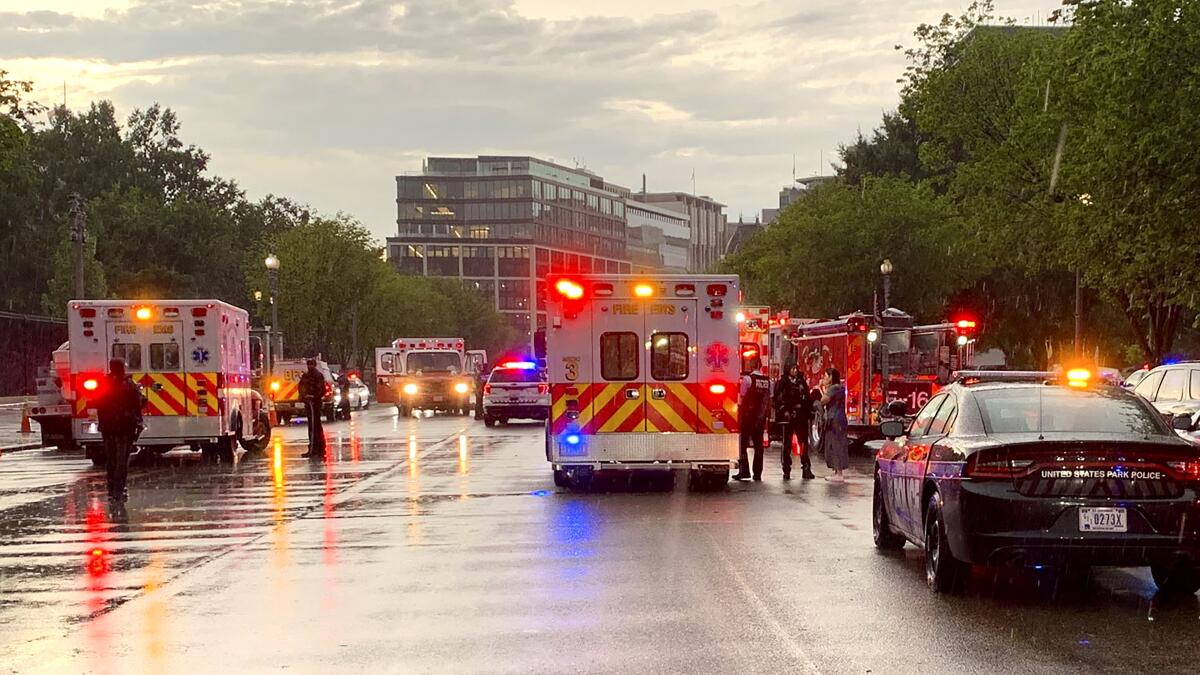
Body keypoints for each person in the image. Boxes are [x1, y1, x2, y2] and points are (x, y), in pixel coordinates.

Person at [96, 358, 144, 503]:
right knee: (121, 461)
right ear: (122, 368)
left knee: (111, 460)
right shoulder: (129, 384)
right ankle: (119, 489)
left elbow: (97, 403)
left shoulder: (103, 383)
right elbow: (138, 403)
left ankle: (111, 490)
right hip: (125, 427)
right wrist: (138, 421)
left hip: (108, 427)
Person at [774, 363, 815, 480]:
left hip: (801, 416)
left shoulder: (801, 382)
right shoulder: (782, 383)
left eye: (796, 368)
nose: (795, 371)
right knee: (786, 445)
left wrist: (808, 412)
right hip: (787, 418)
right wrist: (784, 411)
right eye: (792, 368)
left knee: (803, 444)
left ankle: (806, 468)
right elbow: (778, 399)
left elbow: (807, 398)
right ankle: (786, 470)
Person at [735, 355, 771, 481]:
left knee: (743, 444)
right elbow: (769, 399)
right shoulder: (767, 380)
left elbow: (742, 397)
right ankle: (757, 473)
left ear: (751, 365)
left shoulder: (747, 379)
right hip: (760, 417)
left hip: (748, 416)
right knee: (758, 446)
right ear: (760, 365)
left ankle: (744, 471)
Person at [819, 367, 850, 482]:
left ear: (831, 378)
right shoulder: (838, 388)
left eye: (825, 377)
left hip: (835, 419)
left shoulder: (833, 388)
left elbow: (823, 400)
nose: (823, 379)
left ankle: (839, 472)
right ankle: (836, 472)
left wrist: (821, 388)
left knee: (837, 444)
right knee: (833, 444)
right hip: (837, 418)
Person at [298, 359, 327, 459]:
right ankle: (312, 448)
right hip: (309, 404)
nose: (309, 366)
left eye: (311, 364)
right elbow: (301, 387)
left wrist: (314, 396)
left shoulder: (318, 376)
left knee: (316, 427)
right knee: (311, 427)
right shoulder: (305, 376)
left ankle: (320, 449)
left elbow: (322, 390)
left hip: (315, 404)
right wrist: (303, 397)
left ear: (314, 365)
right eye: (308, 364)